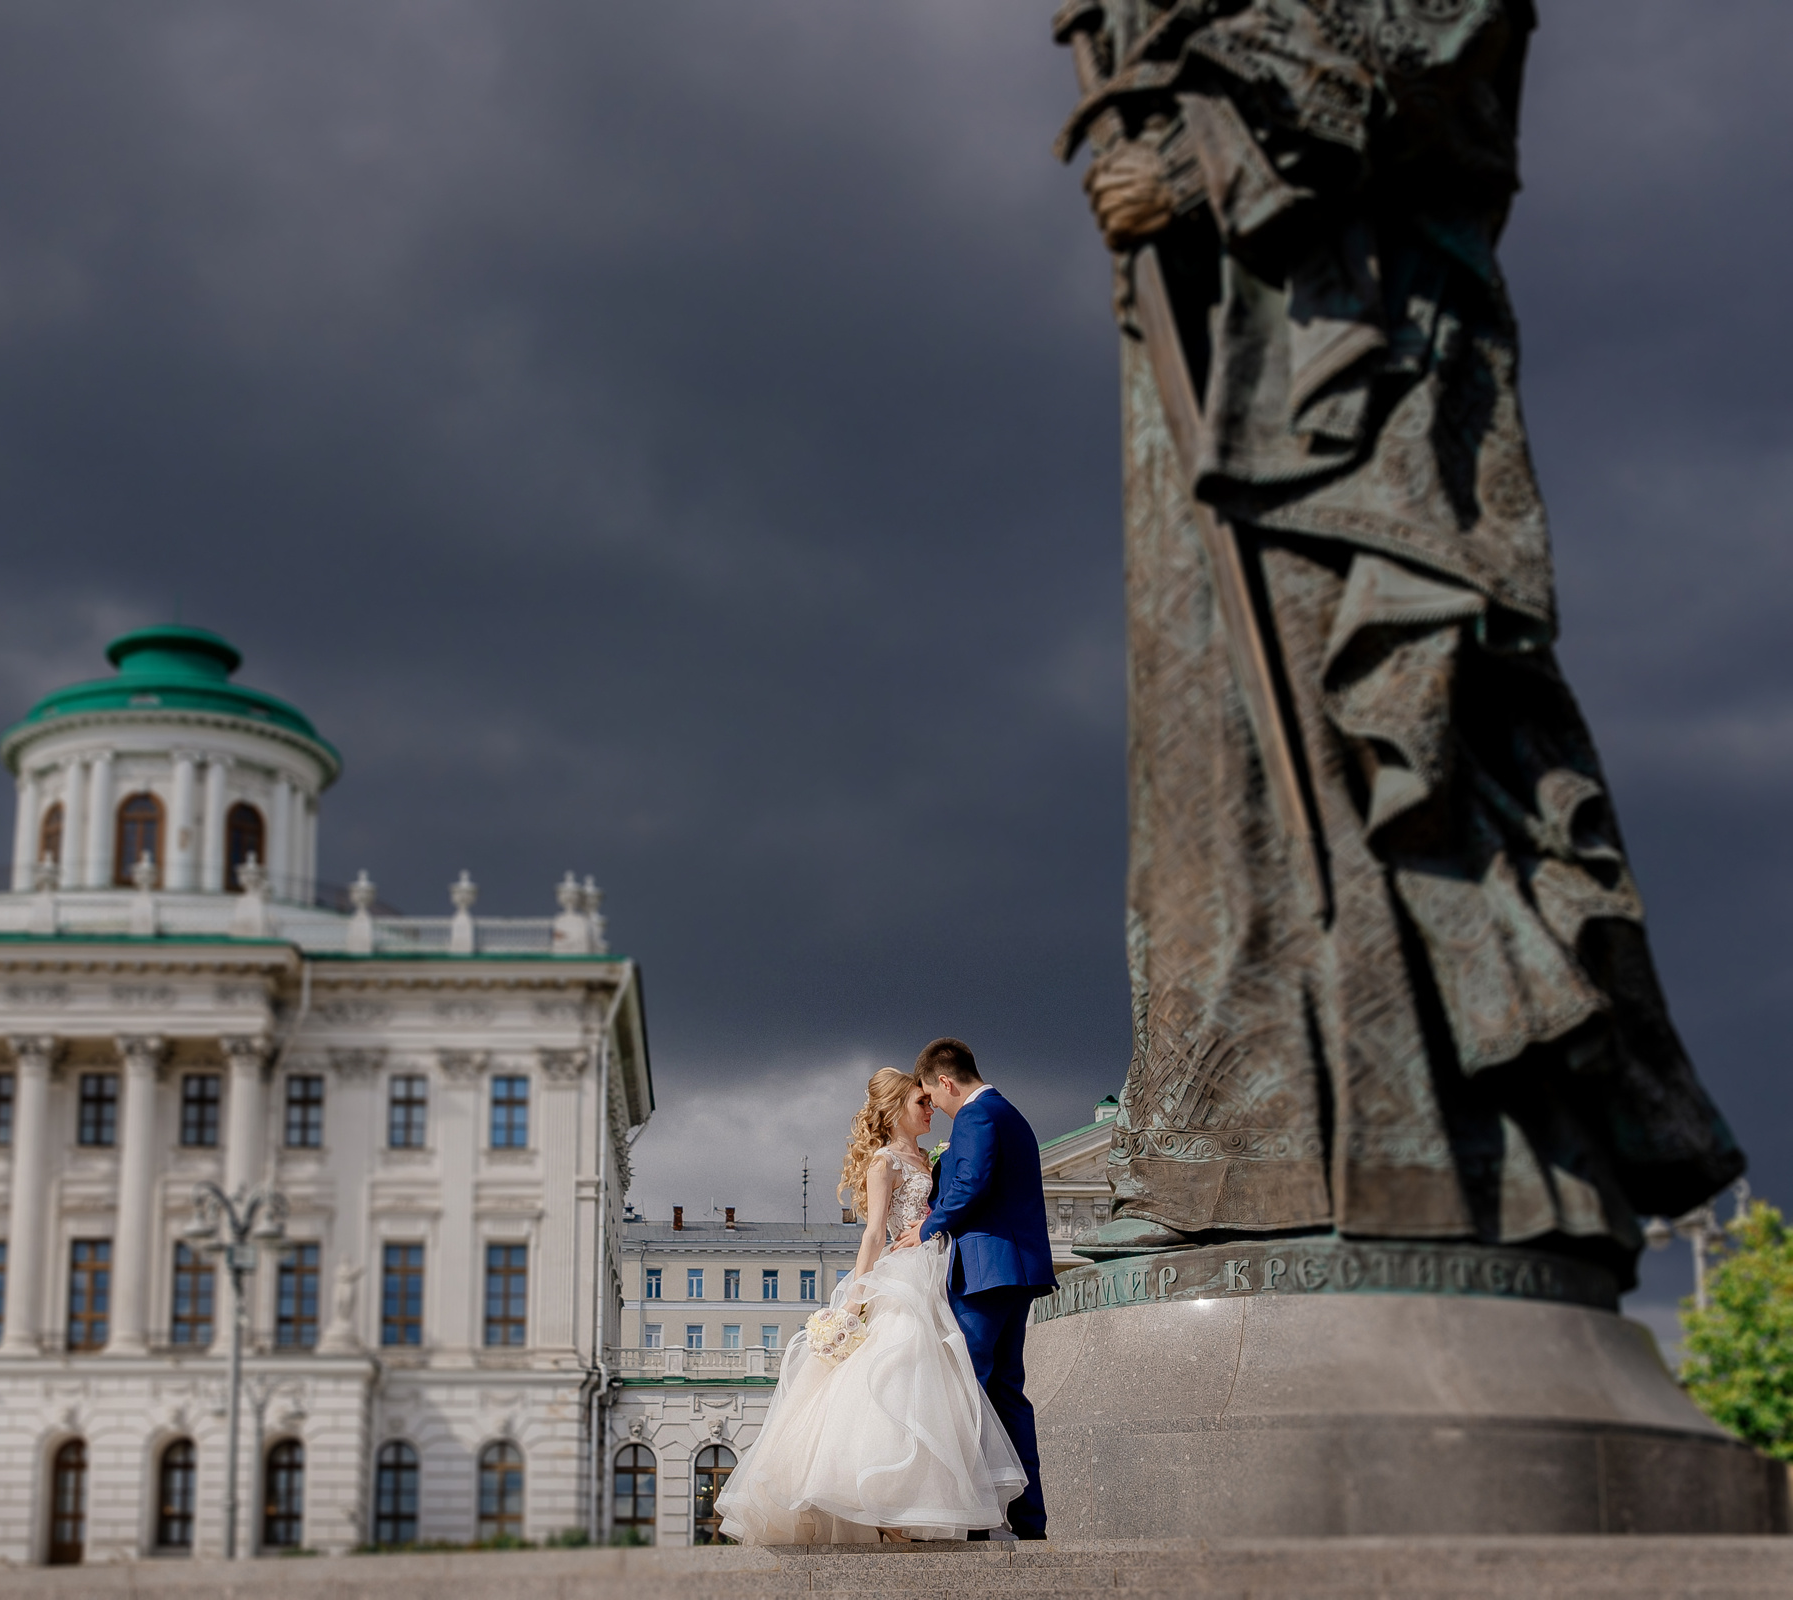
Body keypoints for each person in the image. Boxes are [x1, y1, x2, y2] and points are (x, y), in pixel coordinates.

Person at [1052, 0, 1742, 1270]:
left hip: (1355, 371)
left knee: (1375, 725)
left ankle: (1442, 1147)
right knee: (1220, 771)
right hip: (1219, 354)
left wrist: (1201, 161)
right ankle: (1234, 1141)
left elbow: (1424, 46)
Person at [714, 1067, 1027, 1545]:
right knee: (898, 1373)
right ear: (896, 1109)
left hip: (940, 1271)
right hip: (903, 1276)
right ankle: (884, 1503)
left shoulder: (931, 1157)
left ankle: (913, 1503)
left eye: (929, 1101)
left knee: (938, 1386)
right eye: (920, 1103)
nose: (930, 1109)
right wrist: (857, 1300)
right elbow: (875, 1233)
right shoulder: (884, 1162)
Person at [897, 1037, 1057, 1540]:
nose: (937, 1109)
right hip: (1017, 1273)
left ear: (945, 1081)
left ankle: (977, 1522)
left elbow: (971, 1183)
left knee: (970, 1393)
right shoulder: (1013, 1114)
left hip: (985, 1274)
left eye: (933, 1097)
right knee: (1007, 1395)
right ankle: (1029, 1521)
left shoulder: (976, 1115)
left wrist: (925, 1229)